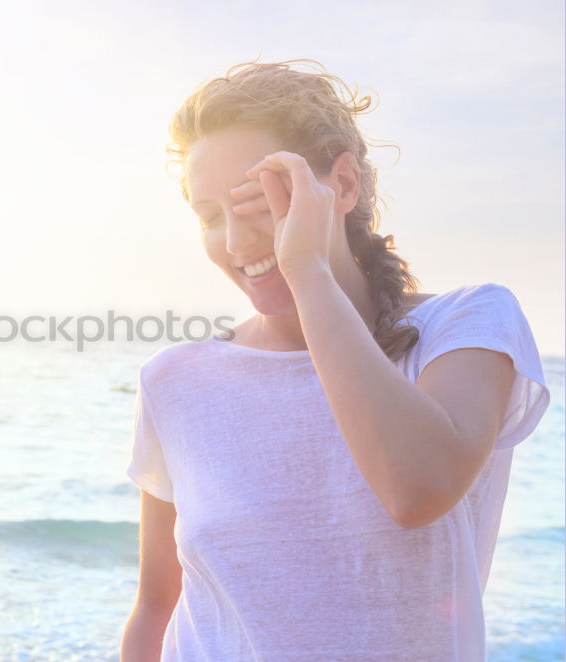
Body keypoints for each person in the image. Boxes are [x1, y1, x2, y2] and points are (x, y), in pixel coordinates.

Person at [118, 59, 551, 662]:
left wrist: (308, 271)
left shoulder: (466, 325)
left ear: (341, 186)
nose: (237, 243)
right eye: (211, 217)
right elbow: (157, 608)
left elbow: (417, 488)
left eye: (260, 202)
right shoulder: (174, 380)